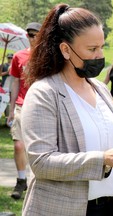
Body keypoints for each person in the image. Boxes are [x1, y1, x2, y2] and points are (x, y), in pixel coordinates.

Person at [20, 4, 113, 216]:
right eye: (92, 49)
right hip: (67, 209)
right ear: (66, 50)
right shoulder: (44, 93)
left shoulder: (101, 89)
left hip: (112, 206)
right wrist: (102, 159)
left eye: (102, 47)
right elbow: (41, 162)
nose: (100, 55)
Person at [6, 22, 41, 200]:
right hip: (21, 104)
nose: (32, 37)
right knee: (19, 145)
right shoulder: (18, 57)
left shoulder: (46, 57)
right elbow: (15, 82)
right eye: (30, 34)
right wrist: (11, 109)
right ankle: (21, 180)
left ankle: (38, 182)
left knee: (37, 148)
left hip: (40, 107)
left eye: (35, 34)